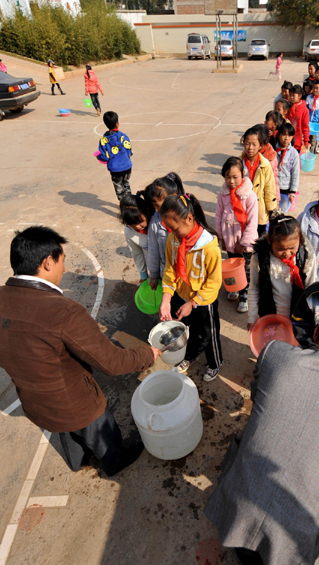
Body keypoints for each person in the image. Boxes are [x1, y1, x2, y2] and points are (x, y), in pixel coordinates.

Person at [205, 308, 319, 565]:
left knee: (246, 443)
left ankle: (246, 547)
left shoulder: (275, 353)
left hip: (243, 489)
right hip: (296, 522)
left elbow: (257, 392)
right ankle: (279, 555)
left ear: (316, 334)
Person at [0, 227, 161, 476]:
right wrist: (147, 354)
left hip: (35, 403)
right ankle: (114, 462)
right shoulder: (63, 312)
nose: (64, 269)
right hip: (77, 403)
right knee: (98, 433)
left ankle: (78, 463)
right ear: (47, 262)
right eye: (63, 261)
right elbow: (111, 362)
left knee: (64, 430)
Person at [159, 193, 223, 382]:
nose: (171, 231)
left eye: (174, 227)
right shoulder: (173, 239)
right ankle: (190, 355)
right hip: (181, 294)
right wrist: (166, 298)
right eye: (168, 228)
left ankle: (215, 363)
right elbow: (171, 268)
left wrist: (193, 302)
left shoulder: (209, 247)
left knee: (209, 334)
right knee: (189, 330)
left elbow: (213, 282)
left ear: (189, 218)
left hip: (203, 301)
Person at [247, 213, 315, 328]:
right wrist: (252, 318)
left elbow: (311, 289)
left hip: (297, 318)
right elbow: (254, 287)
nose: (287, 253)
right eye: (280, 249)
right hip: (270, 316)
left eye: (292, 247)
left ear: (300, 239)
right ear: (269, 241)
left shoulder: (307, 258)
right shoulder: (260, 257)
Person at [216, 157, 258, 313]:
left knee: (245, 270)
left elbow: (252, 222)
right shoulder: (223, 194)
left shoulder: (250, 196)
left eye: (235, 177)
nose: (231, 181)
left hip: (244, 245)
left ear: (243, 174)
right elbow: (219, 215)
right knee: (231, 268)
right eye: (228, 177)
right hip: (229, 241)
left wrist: (244, 243)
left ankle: (244, 295)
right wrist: (222, 238)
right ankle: (233, 288)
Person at [145, 172, 185, 290]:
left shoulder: (187, 217)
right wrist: (153, 276)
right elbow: (153, 251)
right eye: (155, 206)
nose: (157, 210)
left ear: (173, 198)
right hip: (167, 275)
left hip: (187, 274)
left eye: (160, 205)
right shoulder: (155, 224)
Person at [240, 126, 277, 236]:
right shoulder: (238, 164)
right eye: (247, 143)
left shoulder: (265, 165)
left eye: (254, 144)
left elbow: (270, 189)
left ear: (261, 146)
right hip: (242, 210)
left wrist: (272, 210)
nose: (250, 147)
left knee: (259, 239)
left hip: (259, 211)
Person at [97, 111, 133, 202]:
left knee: (119, 189)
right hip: (127, 167)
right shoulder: (124, 136)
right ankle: (131, 204)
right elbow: (130, 151)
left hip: (115, 170)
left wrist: (98, 157)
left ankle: (124, 205)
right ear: (117, 124)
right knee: (126, 184)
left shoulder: (103, 140)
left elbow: (105, 157)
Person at [120, 193, 154, 284]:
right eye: (132, 224)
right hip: (154, 270)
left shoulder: (157, 224)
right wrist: (143, 276)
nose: (138, 227)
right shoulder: (129, 231)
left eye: (140, 222)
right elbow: (137, 254)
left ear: (147, 212)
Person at [252, 123, 280, 208]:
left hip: (263, 199)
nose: (250, 146)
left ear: (262, 142)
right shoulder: (246, 156)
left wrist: (276, 200)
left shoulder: (271, 159)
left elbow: (274, 181)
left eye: (254, 143)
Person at [275, 122, 300, 212]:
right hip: (274, 187)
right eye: (284, 134)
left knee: (282, 211)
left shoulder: (294, 153)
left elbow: (295, 173)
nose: (286, 138)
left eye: (289, 136)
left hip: (286, 189)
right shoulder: (273, 151)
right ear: (278, 135)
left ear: (292, 137)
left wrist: (292, 192)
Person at [305, 80, 319, 154]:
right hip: (308, 122)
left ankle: (312, 155)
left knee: (314, 140)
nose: (315, 90)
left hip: (316, 123)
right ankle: (307, 154)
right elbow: (306, 109)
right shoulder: (309, 97)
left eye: (317, 88)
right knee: (307, 140)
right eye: (314, 88)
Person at [288, 84, 310, 152]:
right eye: (290, 95)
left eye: (293, 95)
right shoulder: (288, 106)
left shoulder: (304, 110)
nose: (291, 97)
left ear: (300, 96)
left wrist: (306, 141)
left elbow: (305, 127)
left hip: (297, 143)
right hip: (286, 141)